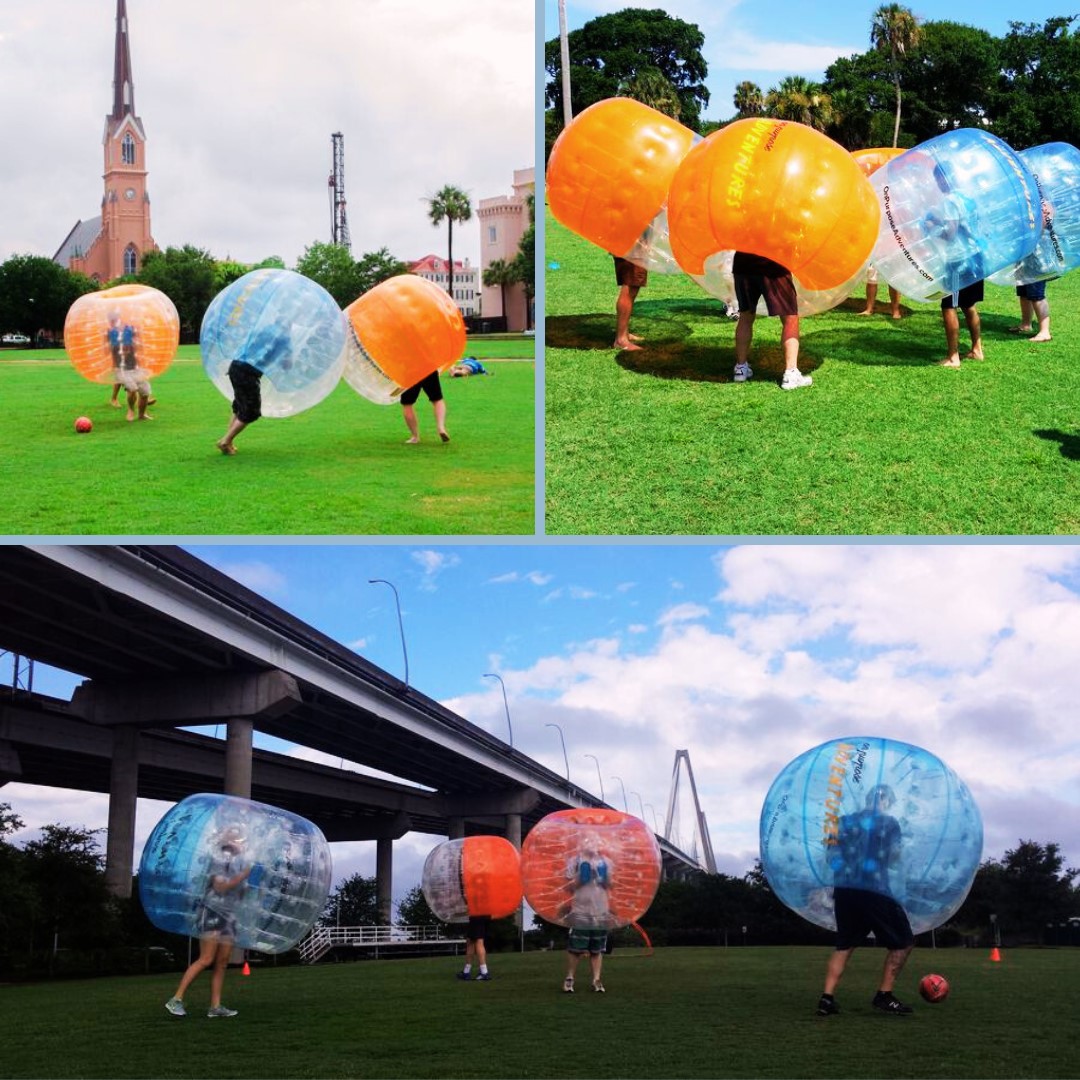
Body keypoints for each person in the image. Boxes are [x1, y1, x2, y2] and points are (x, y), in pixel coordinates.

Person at [817, 784, 915, 1017]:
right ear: (887, 801)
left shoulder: (843, 821)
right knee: (904, 941)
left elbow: (830, 856)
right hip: (875, 890)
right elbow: (893, 858)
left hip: (845, 890)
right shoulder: (890, 823)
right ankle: (884, 995)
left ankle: (827, 998)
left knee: (845, 944)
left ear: (867, 799)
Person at [165, 827, 254, 1019]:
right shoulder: (219, 859)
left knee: (222, 962)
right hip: (212, 911)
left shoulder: (238, 864)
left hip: (229, 915)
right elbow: (220, 887)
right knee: (206, 959)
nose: (241, 842)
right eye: (237, 838)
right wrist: (243, 876)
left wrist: (246, 887)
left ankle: (215, 1007)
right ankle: (176, 999)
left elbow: (237, 891)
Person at [731, 251, 812, 389]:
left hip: (743, 264)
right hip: (773, 265)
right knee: (790, 318)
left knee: (745, 316)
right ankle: (791, 373)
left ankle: (741, 368)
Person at [562, 835, 611, 994]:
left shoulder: (605, 861)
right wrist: (581, 878)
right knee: (576, 948)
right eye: (588, 840)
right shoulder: (574, 861)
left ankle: (596, 980)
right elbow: (567, 887)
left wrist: (603, 877)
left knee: (597, 949)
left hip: (600, 911)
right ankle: (569, 978)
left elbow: (611, 885)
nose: (592, 843)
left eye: (595, 840)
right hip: (581, 910)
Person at [938, 280, 984, 367]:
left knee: (949, 306)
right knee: (967, 304)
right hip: (973, 269)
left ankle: (953, 358)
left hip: (956, 271)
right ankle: (977, 351)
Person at [401, 371, 449, 444]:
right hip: (428, 368)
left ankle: (415, 436)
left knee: (407, 404)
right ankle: (441, 427)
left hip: (409, 371)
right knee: (437, 400)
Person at [613, 255, 647, 351]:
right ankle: (621, 340)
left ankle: (624, 333)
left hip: (628, 246)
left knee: (630, 284)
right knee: (631, 285)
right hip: (634, 248)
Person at [456, 914, 492, 981]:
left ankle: (484, 973)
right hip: (485, 915)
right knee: (470, 941)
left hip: (477, 915)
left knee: (479, 942)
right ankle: (466, 972)